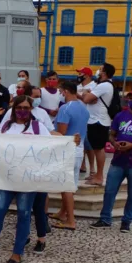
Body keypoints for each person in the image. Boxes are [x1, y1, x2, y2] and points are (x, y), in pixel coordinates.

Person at [0, 96, 52, 263]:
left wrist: (69, 141)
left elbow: (52, 143)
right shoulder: (7, 126)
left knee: (24, 214)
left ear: (31, 109)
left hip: (27, 180)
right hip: (6, 178)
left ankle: (17, 252)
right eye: (19, 107)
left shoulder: (38, 127)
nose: (22, 110)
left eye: (26, 107)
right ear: (14, 108)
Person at [91, 89, 132, 233]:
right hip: (118, 160)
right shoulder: (120, 116)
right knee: (109, 190)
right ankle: (105, 218)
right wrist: (114, 143)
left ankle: (126, 221)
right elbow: (111, 134)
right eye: (129, 98)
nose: (131, 101)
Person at [50, 81, 90, 231]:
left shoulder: (65, 109)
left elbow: (62, 133)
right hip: (79, 149)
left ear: (65, 91)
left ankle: (70, 220)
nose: (60, 94)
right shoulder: (84, 108)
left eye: (61, 91)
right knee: (70, 183)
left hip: (67, 149)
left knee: (66, 185)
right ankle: (62, 212)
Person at [82, 63, 116, 186]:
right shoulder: (102, 85)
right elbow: (90, 98)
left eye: (100, 69)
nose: (98, 71)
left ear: (104, 72)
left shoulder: (105, 85)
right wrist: (88, 95)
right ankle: (97, 175)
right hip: (95, 120)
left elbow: (86, 99)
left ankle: (99, 176)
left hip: (98, 121)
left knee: (98, 149)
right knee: (96, 148)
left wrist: (86, 95)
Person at [76, 67, 96, 177]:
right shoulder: (78, 86)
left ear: (87, 75)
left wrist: (80, 95)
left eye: (81, 73)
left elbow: (91, 100)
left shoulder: (94, 86)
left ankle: (92, 167)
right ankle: (82, 165)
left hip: (90, 117)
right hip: (78, 116)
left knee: (89, 144)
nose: (79, 75)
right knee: (81, 142)